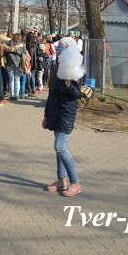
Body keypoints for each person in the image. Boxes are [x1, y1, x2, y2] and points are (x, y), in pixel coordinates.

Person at [42, 37, 83, 197]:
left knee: (60, 146)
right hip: (54, 112)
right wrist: (46, 115)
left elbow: (77, 94)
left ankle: (75, 182)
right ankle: (61, 180)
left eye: (61, 48)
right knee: (58, 149)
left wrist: (68, 84)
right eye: (58, 48)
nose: (58, 50)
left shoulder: (75, 68)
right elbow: (51, 93)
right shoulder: (56, 66)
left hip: (66, 113)